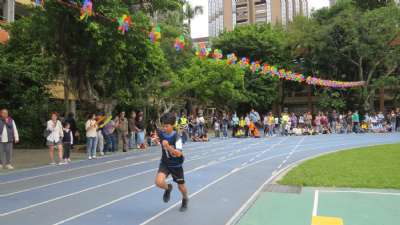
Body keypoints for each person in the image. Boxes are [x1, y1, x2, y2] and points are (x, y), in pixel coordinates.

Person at [155, 112, 189, 212]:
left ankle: (185, 198)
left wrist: (168, 147)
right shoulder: (161, 133)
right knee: (158, 182)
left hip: (176, 165)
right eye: (163, 126)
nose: (164, 128)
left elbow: (178, 154)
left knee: (181, 186)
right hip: (165, 163)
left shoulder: (177, 137)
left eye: (167, 126)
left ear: (173, 125)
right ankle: (168, 188)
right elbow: (156, 130)